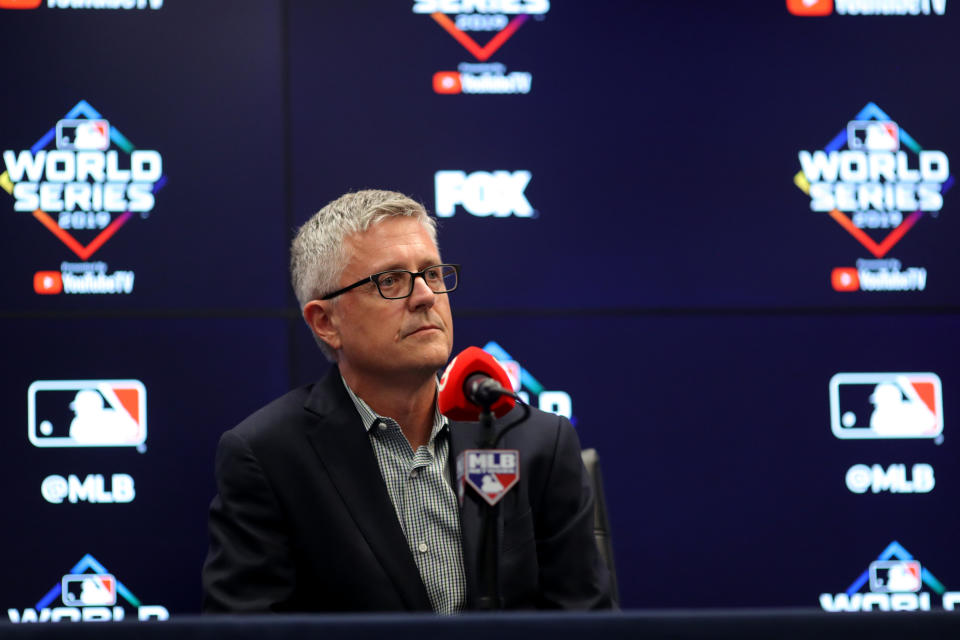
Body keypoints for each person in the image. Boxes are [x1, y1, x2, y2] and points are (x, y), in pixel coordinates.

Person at [202, 189, 612, 613]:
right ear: (325, 322)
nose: (425, 297)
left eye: (432, 274)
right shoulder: (269, 457)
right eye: (390, 281)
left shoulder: (534, 440)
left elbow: (587, 628)